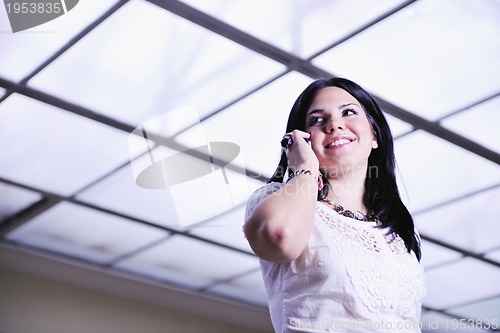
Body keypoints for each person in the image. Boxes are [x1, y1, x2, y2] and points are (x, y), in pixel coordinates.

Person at [243, 77, 426, 333]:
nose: (335, 125)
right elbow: (278, 237)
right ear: (303, 141)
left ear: (374, 135)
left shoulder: (398, 231)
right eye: (317, 120)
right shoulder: (275, 198)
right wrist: (305, 168)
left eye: (349, 112)